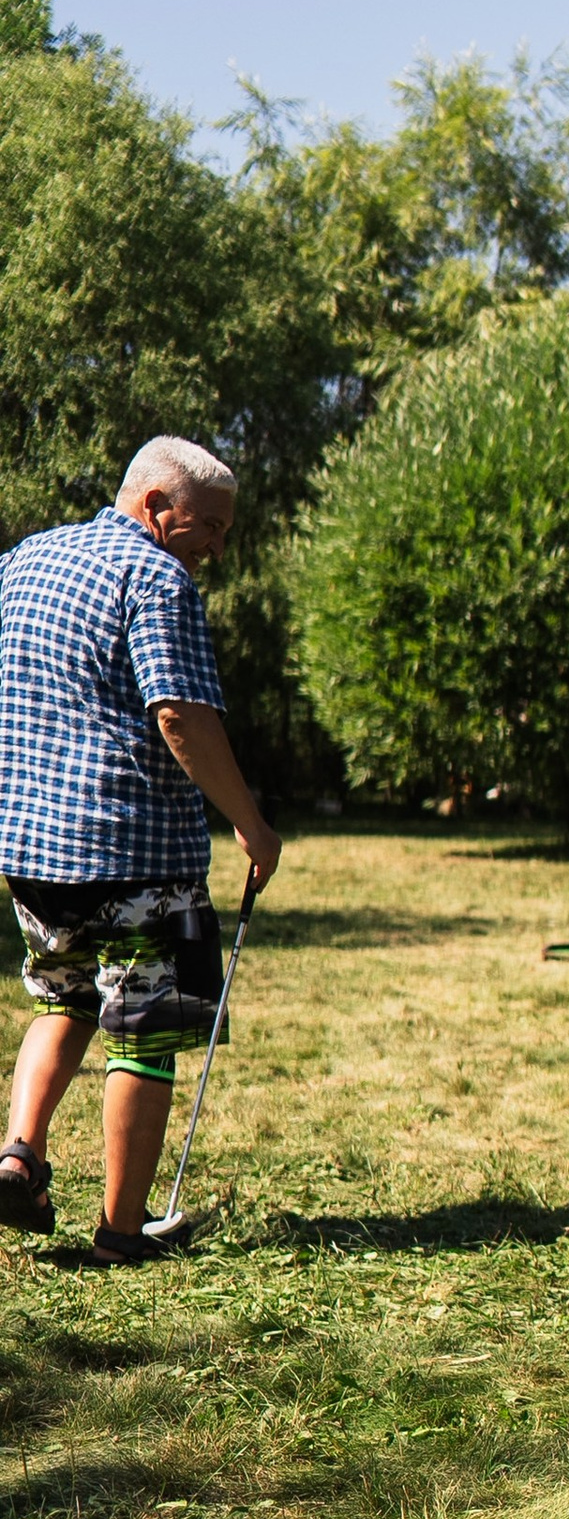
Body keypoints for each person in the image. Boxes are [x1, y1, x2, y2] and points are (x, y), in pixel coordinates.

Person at [0, 438, 284, 1261]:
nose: (217, 550)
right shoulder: (155, 575)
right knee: (145, 1034)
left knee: (64, 1001)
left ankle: (20, 1155)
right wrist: (251, 823)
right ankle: (123, 1232)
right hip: (134, 851)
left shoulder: (24, 559)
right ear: (158, 505)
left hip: (32, 850)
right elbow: (179, 716)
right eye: (212, 528)